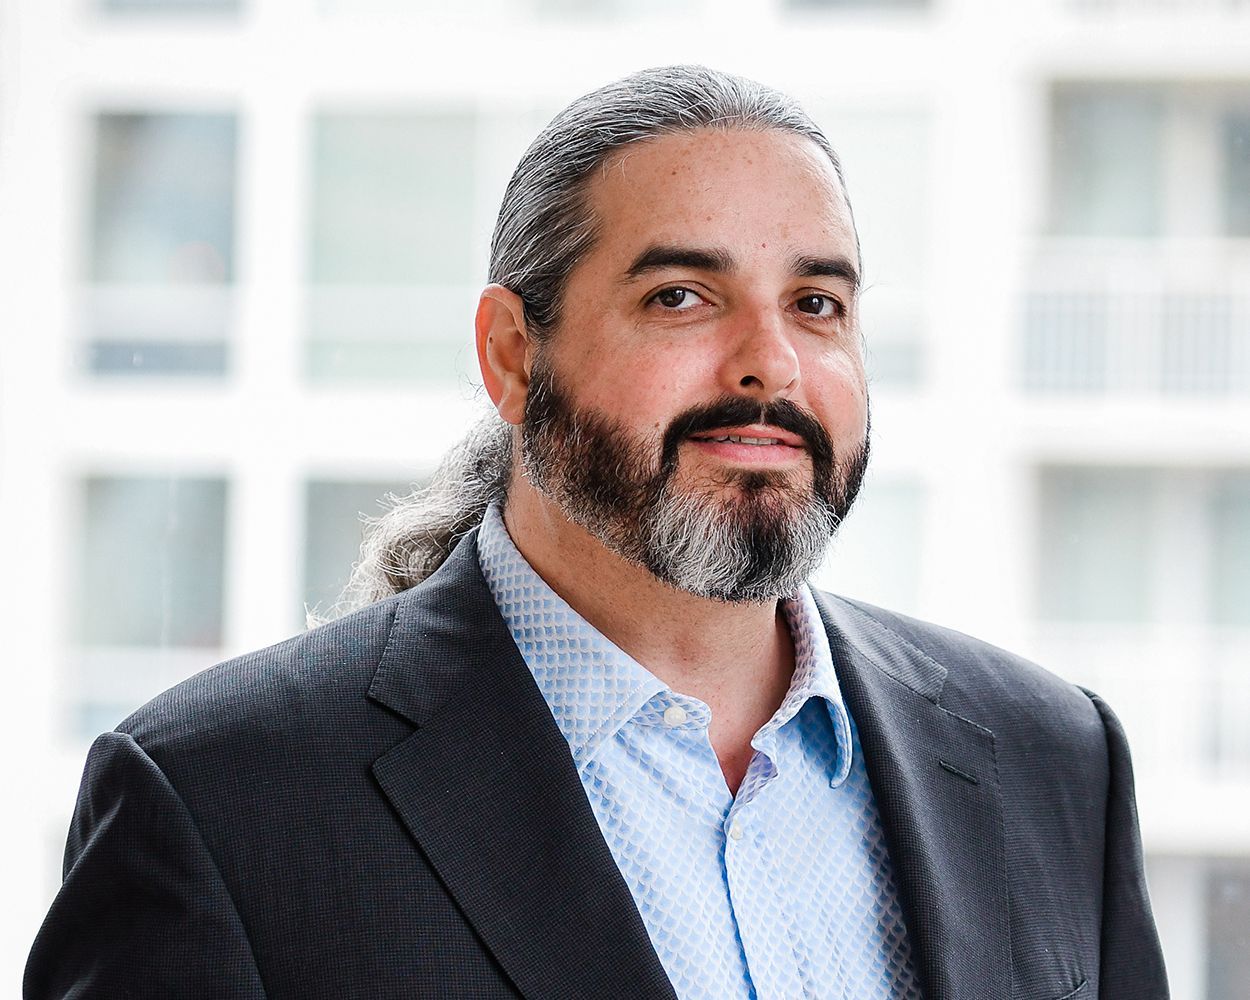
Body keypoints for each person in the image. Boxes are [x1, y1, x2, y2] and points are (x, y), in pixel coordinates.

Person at [26, 65, 1168, 1000]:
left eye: (816, 303)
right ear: (513, 355)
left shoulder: (1050, 760)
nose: (769, 361)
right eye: (681, 295)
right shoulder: (222, 804)